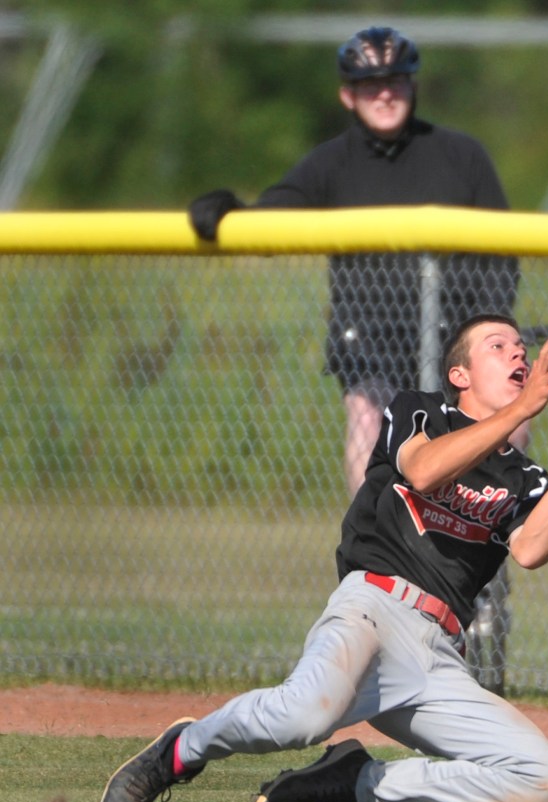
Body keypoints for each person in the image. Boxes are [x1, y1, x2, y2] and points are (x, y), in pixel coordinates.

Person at [100, 316, 548, 802]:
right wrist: (521, 407)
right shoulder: (419, 411)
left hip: (438, 655)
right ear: (460, 376)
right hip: (373, 612)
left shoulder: (526, 478)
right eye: (498, 346)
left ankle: (355, 782)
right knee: (302, 717)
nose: (519, 355)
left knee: (542, 782)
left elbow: (532, 549)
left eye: (521, 347)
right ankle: (181, 750)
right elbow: (425, 471)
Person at [188, 26, 521, 496]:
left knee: (508, 426)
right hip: (372, 342)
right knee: (371, 422)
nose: (384, 94)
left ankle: (488, 561)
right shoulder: (331, 163)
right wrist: (232, 212)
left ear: (414, 86)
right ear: (348, 95)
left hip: (458, 337)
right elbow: (275, 219)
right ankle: (377, 554)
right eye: (370, 85)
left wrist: (489, 336)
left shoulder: (461, 155)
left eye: (396, 81)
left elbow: (502, 256)